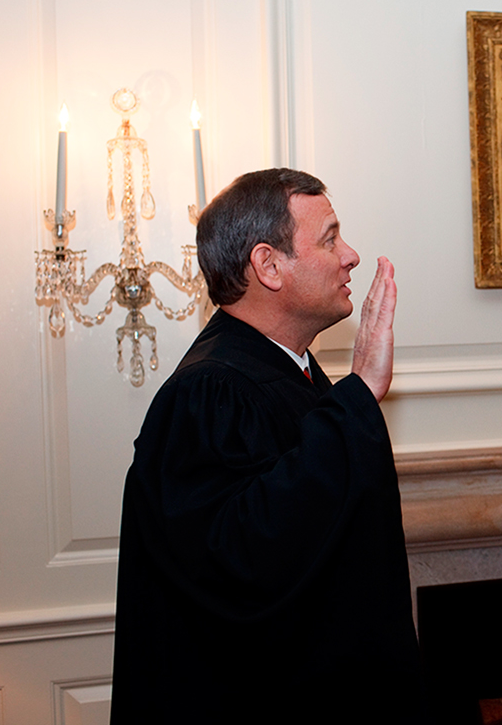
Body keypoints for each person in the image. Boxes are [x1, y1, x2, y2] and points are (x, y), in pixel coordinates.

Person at [110, 169, 427, 722]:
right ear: (269, 265)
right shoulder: (209, 392)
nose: (350, 255)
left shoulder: (294, 373)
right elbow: (242, 560)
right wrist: (360, 397)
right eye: (330, 238)